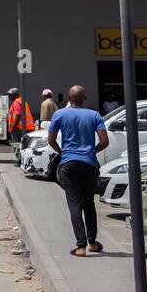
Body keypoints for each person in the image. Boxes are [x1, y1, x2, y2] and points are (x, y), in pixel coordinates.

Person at [48, 85, 110, 258]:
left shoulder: (59, 114)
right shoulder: (94, 115)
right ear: (85, 98)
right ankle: (92, 242)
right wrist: (91, 152)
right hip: (89, 164)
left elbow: (51, 140)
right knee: (89, 203)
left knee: (74, 204)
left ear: (68, 98)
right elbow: (104, 141)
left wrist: (62, 152)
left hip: (68, 164)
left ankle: (80, 247)